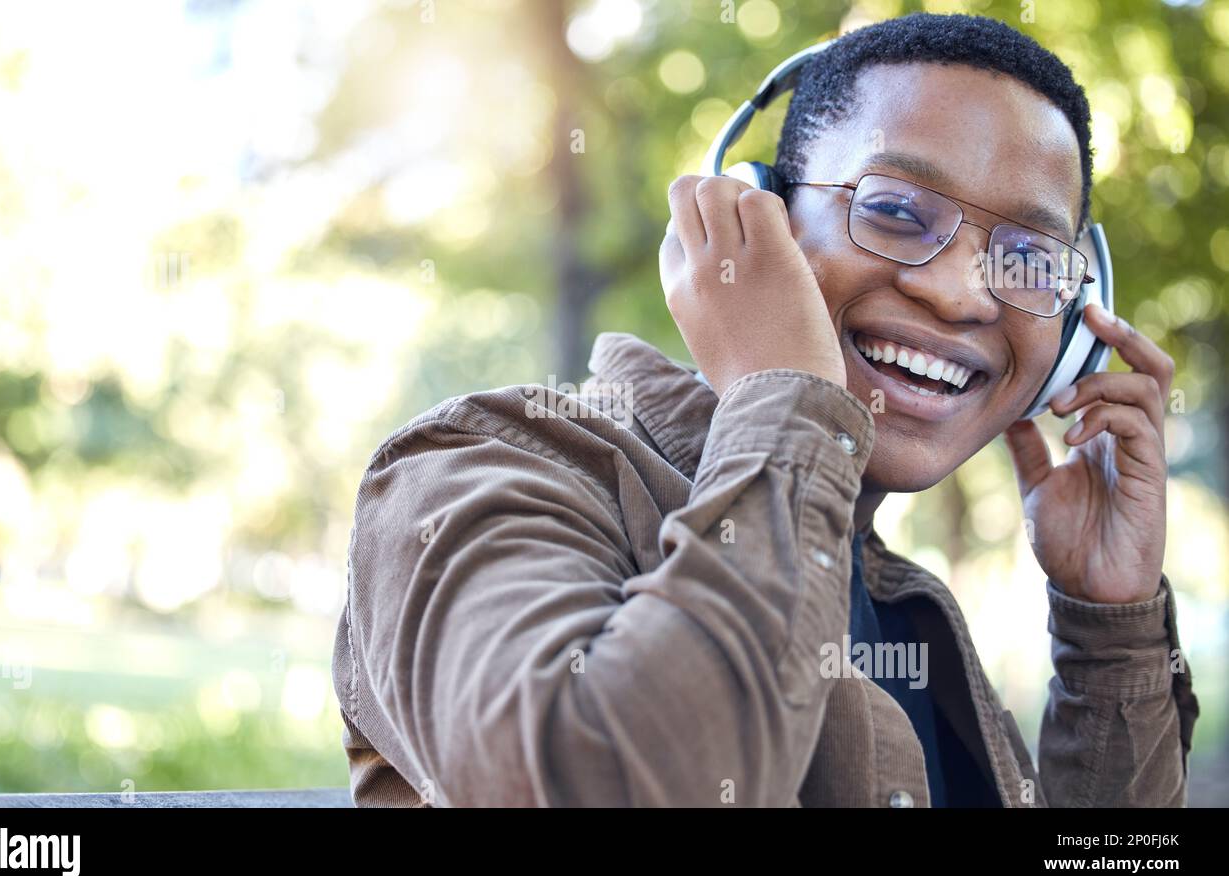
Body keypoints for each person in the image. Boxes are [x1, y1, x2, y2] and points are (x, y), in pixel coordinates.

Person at [330, 12, 1199, 807]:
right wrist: (789, 396)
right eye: (895, 210)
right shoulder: (483, 467)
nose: (961, 293)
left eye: (1028, 256)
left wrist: (1108, 631)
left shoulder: (905, 612)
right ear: (758, 219)